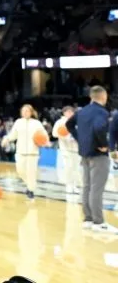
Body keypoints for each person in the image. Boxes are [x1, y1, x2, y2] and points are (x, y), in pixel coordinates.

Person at [65, 86, 118, 233]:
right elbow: (99, 128)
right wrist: (103, 145)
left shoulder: (81, 111)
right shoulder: (102, 112)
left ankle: (88, 219)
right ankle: (98, 222)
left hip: (84, 154)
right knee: (97, 188)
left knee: (87, 187)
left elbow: (68, 125)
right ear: (103, 96)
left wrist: (80, 139)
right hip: (98, 155)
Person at [1, 104, 48, 199]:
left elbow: (44, 135)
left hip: (33, 153)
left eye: (27, 111)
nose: (25, 112)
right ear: (21, 112)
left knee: (31, 173)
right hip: (20, 152)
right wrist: (6, 139)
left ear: (31, 112)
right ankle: (29, 185)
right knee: (20, 171)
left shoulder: (37, 123)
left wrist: (45, 141)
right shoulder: (18, 122)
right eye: (23, 111)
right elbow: (13, 135)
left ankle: (31, 190)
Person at [52, 106, 81, 195]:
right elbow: (54, 134)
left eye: (71, 112)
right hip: (65, 149)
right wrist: (63, 136)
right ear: (64, 113)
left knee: (76, 169)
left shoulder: (78, 121)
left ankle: (75, 185)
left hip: (76, 149)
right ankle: (69, 185)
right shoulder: (60, 122)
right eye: (67, 112)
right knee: (68, 167)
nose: (69, 113)